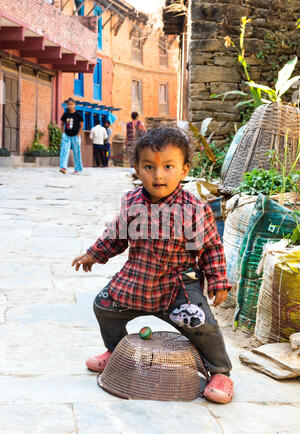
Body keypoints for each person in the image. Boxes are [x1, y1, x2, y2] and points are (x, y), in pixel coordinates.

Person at [71, 127, 234, 404]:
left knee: (203, 325)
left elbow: (210, 248)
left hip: (177, 286)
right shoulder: (132, 203)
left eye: (168, 166)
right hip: (136, 280)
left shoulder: (194, 209)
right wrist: (93, 254)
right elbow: (116, 235)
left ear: (183, 170)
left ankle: (220, 372)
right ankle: (116, 350)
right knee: (103, 306)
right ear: (136, 169)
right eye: (149, 166)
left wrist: (218, 281)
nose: (158, 175)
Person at [59, 97, 84, 175]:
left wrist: (79, 134)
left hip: (75, 136)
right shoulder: (65, 114)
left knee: (77, 152)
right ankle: (63, 168)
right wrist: (62, 132)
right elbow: (62, 124)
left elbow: (81, 125)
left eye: (71, 104)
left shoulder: (78, 115)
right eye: (68, 104)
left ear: (74, 105)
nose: (70, 106)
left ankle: (78, 169)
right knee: (64, 151)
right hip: (66, 136)